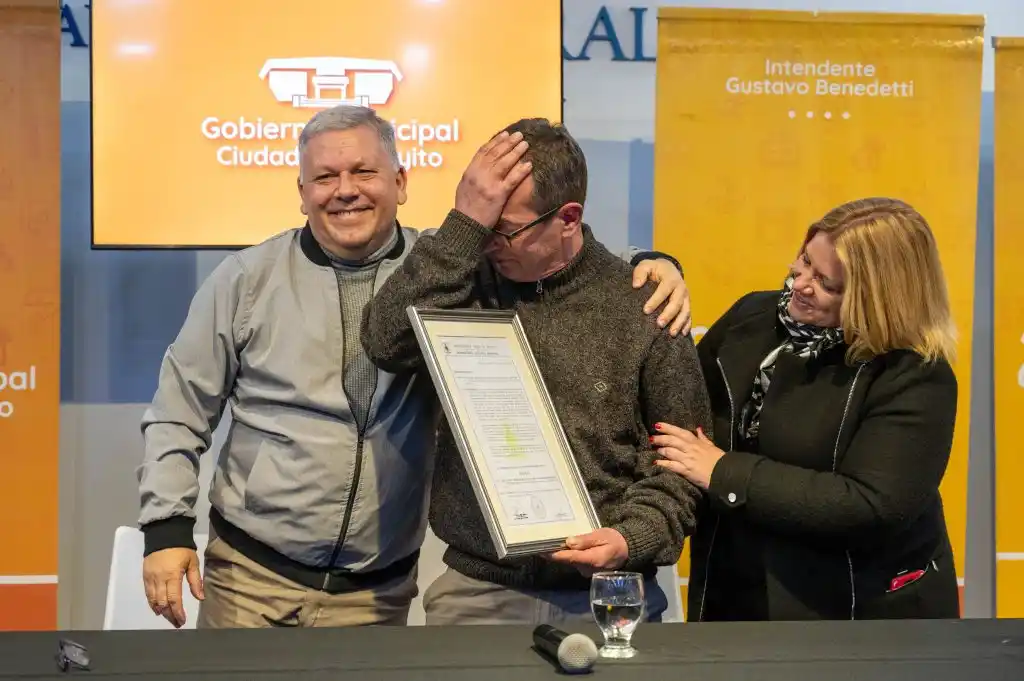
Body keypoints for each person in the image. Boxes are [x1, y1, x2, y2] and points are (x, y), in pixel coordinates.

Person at [136, 105, 692, 629]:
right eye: (324, 177)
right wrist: (166, 527)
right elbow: (179, 411)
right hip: (251, 576)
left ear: (401, 183)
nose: (345, 189)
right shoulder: (248, 280)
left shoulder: (449, 270)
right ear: (301, 193)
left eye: (363, 171)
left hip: (377, 590)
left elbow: (561, 262)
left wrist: (652, 263)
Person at [360, 118, 713, 626]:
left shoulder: (645, 304)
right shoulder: (458, 281)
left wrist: (629, 538)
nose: (486, 243)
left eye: (502, 230)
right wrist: (463, 226)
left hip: (610, 591)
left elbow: (685, 464)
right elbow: (384, 341)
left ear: (568, 218)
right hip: (480, 591)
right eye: (478, 224)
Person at [650, 197, 961, 621]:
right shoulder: (752, 315)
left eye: (828, 284)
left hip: (852, 612)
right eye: (805, 261)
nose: (800, 284)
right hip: (735, 586)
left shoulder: (914, 374)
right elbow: (682, 406)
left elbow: (872, 505)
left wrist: (725, 473)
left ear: (877, 299)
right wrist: (656, 264)